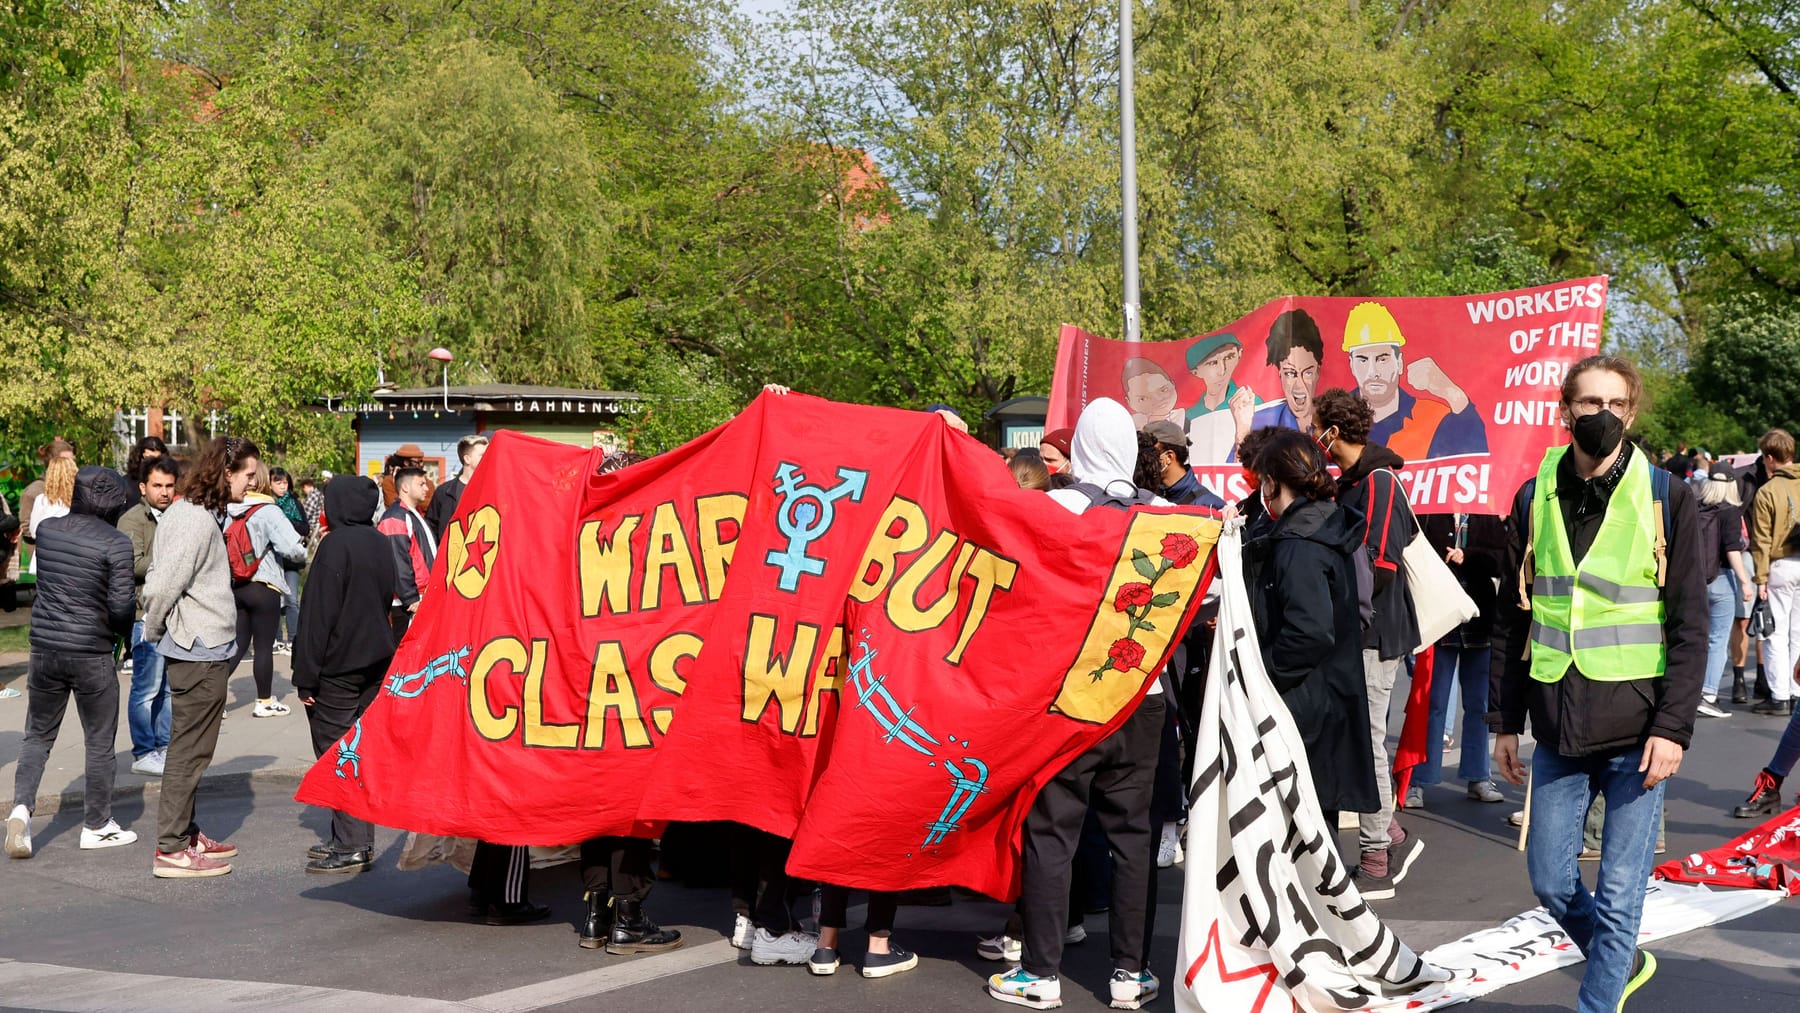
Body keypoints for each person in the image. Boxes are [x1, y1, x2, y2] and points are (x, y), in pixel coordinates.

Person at [1490, 355, 1705, 1012]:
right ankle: (1625, 959)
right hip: (1558, 727)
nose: (1603, 414)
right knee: (1552, 881)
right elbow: (1514, 619)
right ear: (1566, 411)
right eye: (1589, 403)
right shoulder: (1534, 497)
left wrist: (1673, 728)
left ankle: (1600, 993)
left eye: (1615, 403)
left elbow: (1691, 625)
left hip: (1640, 735)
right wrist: (1504, 721)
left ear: (1632, 412)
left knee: (1619, 893)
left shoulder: (1669, 496)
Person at [990, 397, 1165, 1011]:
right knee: (1133, 837)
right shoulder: (1168, 515)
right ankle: (1128, 973)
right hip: (1144, 696)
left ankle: (1039, 971)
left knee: (1052, 832)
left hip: (1068, 696)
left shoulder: (1054, 506)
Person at [1240, 428, 1379, 838]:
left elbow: (1310, 632)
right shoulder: (1322, 527)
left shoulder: (1299, 543)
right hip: (1324, 700)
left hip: (1303, 706)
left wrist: (1262, 675)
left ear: (1274, 481)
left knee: (1303, 837)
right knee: (1316, 832)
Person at [1312, 387, 1424, 899]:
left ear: (1332, 432)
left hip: (1374, 632)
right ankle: (1389, 828)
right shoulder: (1352, 483)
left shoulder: (1378, 482)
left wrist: (1332, 601)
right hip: (1359, 630)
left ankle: (1378, 849)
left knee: (1369, 739)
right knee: (1361, 737)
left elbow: (1378, 565)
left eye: (1318, 428)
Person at [5, 467, 139, 859]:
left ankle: (20, 810)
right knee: (99, 741)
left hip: (45, 647)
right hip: (92, 651)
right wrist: (122, 631)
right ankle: (96, 825)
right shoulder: (116, 543)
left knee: (37, 736)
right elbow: (120, 607)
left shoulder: (47, 531)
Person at [142, 436, 257, 879]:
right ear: (225, 473)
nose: (251, 484)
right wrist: (153, 631)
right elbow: (163, 583)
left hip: (200, 647)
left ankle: (183, 834)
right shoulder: (193, 519)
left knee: (192, 750)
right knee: (189, 752)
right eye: (248, 475)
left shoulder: (192, 513)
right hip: (198, 649)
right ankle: (171, 849)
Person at [293, 476, 396, 874]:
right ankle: (353, 838)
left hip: (338, 666)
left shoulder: (336, 546)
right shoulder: (379, 541)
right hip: (375, 660)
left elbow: (318, 615)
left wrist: (306, 675)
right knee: (358, 750)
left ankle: (352, 843)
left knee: (336, 754)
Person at [1411, 510, 1508, 804]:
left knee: (1479, 704)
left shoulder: (1487, 512)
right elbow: (1414, 556)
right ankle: (1419, 779)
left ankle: (1479, 777)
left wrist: (1470, 556)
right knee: (1433, 703)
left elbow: (1503, 560)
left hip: (1479, 622)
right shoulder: (1429, 514)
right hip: (1439, 622)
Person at [1342, 301, 1487, 459]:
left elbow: (1476, 459)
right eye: (1362, 360)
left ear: (1399, 363)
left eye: (1382, 359)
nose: (1373, 372)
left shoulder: (1433, 418)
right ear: (1352, 365)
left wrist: (1449, 391)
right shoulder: (1333, 422)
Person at [224, 463, 307, 717]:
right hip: (264, 583)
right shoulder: (268, 510)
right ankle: (264, 700)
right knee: (263, 645)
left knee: (237, 643)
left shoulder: (229, 509)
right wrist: (303, 554)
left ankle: (213, 699)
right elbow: (292, 547)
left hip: (237, 583)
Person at [117, 456, 180, 776]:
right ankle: (143, 751)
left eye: (170, 486)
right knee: (147, 687)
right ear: (144, 487)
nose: (165, 492)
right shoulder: (133, 519)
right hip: (146, 614)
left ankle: (164, 745)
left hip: (174, 615)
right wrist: (173, 557)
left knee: (169, 687)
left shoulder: (178, 515)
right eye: (158, 486)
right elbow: (133, 564)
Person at [1748, 427, 1800, 717]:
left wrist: (1760, 578)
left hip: (1780, 566)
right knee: (1799, 633)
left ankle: (1779, 694)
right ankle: (1797, 692)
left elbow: (1762, 540)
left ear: (1769, 458)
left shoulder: (1768, 491)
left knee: (1775, 633)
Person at [1696, 465, 1754, 717]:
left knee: (1695, 639)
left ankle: (1689, 691)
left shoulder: (1696, 507)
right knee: (1717, 640)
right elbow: (1732, 550)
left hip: (1695, 581)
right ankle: (1708, 693)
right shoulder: (1730, 512)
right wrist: (1745, 583)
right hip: (1722, 581)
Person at [378, 466, 437, 642]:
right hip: (407, 603)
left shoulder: (413, 514)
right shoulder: (395, 517)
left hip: (421, 596)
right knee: (404, 652)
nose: (426, 488)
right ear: (405, 487)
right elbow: (397, 559)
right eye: (421, 484)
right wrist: (410, 598)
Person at [1182, 333, 1259, 464]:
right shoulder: (1188, 416)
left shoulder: (1251, 404)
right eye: (1212, 363)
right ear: (1196, 372)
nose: (1222, 370)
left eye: (1229, 357)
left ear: (1239, 354)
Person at [1252, 308, 1325, 435]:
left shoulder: (1333, 421)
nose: (1299, 386)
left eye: (1307, 373)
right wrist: (1242, 431)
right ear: (1279, 373)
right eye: (1290, 373)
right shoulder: (1259, 423)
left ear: (1317, 372)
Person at [269, 467, 308, 654]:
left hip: (291, 559)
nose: (283, 487)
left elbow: (304, 528)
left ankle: (293, 639)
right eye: (278, 483)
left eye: (285, 482)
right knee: (274, 600)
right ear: (270, 484)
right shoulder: (267, 504)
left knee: (292, 599)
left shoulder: (294, 503)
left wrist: (285, 524)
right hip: (272, 559)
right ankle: (276, 640)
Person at [1141, 420, 1225, 509]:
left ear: (1169, 457)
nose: (1141, 460)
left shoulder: (1211, 506)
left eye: (1148, 453)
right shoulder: (1145, 497)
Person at [425, 434, 487, 541]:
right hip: (450, 555)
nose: (488, 457)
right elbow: (431, 529)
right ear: (467, 459)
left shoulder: (491, 490)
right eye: (482, 455)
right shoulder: (444, 492)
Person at [25, 456, 76, 575]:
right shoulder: (79, 501)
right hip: (73, 558)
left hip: (46, 559)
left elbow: (33, 532)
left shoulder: (41, 501)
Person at [1121, 358, 1184, 430]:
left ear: (1172, 384)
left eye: (1163, 390)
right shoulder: (1128, 428)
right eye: (1142, 399)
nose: (1158, 399)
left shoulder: (1185, 419)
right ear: (1129, 403)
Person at [121, 435, 167, 510]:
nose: (153, 464)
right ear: (139, 458)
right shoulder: (126, 483)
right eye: (148, 459)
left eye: (158, 460)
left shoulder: (169, 483)